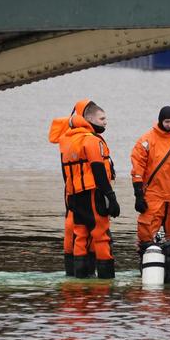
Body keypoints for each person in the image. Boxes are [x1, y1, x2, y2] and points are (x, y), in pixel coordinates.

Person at [62, 101, 120, 278]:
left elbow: (66, 174)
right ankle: (106, 280)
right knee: (101, 236)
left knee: (80, 236)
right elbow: (98, 171)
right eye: (102, 118)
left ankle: (79, 279)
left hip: (76, 196)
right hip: (94, 194)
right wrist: (111, 197)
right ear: (88, 119)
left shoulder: (67, 141)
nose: (105, 122)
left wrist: (69, 199)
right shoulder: (92, 141)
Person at [130, 106, 170, 254]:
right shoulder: (147, 140)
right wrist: (138, 196)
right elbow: (137, 169)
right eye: (167, 122)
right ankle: (145, 259)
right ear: (160, 121)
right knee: (146, 232)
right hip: (153, 194)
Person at [49, 99, 94, 276]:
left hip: (71, 192)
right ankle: (85, 275)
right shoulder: (82, 139)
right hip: (79, 192)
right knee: (82, 234)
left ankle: (75, 275)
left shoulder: (67, 137)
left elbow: (65, 170)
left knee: (74, 234)